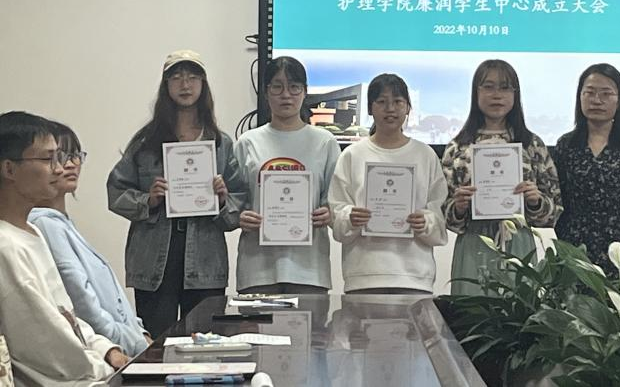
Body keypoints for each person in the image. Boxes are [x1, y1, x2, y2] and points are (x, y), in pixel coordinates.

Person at [106, 50, 247, 337]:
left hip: (205, 262)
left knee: (204, 344)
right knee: (157, 345)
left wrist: (222, 199)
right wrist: (148, 200)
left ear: (203, 84)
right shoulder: (146, 142)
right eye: (177, 77)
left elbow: (239, 203)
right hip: (153, 263)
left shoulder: (220, 144)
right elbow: (116, 191)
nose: (185, 84)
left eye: (193, 77)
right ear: (166, 85)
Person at [0, 111, 127, 386]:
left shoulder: (31, 231)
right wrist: (103, 366)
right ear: (9, 169)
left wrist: (106, 349)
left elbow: (67, 315)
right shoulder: (6, 246)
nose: (59, 169)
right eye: (48, 159)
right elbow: (49, 345)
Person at [441, 59, 562, 296]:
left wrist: (535, 201)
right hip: (474, 243)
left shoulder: (531, 145)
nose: (497, 95)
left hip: (519, 243)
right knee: (472, 313)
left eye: (505, 87)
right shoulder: (458, 146)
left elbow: (554, 210)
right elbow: (444, 214)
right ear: (476, 92)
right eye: (488, 87)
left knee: (517, 313)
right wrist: (459, 207)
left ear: (515, 94)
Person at [29, 121, 151, 356]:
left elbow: (112, 300)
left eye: (75, 155)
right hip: (110, 352)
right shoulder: (45, 224)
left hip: (124, 345)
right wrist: (136, 343)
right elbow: (84, 304)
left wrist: (140, 334)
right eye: (58, 157)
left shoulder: (61, 223)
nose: (70, 164)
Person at [329, 73, 447, 294]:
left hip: (414, 277)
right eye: (382, 102)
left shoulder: (426, 155)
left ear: (408, 108)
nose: (390, 109)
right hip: (364, 275)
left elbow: (439, 213)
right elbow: (337, 211)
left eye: (398, 102)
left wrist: (425, 222)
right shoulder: (353, 155)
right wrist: (350, 217)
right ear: (370, 108)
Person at [234, 56, 341, 294]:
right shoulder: (248, 142)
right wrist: (240, 216)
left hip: (309, 270)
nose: (286, 95)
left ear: (305, 91)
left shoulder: (325, 142)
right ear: (266, 92)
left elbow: (335, 201)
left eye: (294, 87)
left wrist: (329, 213)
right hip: (257, 269)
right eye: (277, 87)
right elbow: (236, 200)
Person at [554, 63, 620, 276]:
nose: (597, 100)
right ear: (580, 97)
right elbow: (557, 199)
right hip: (576, 243)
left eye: (606, 93)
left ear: (619, 100)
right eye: (589, 92)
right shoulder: (566, 144)